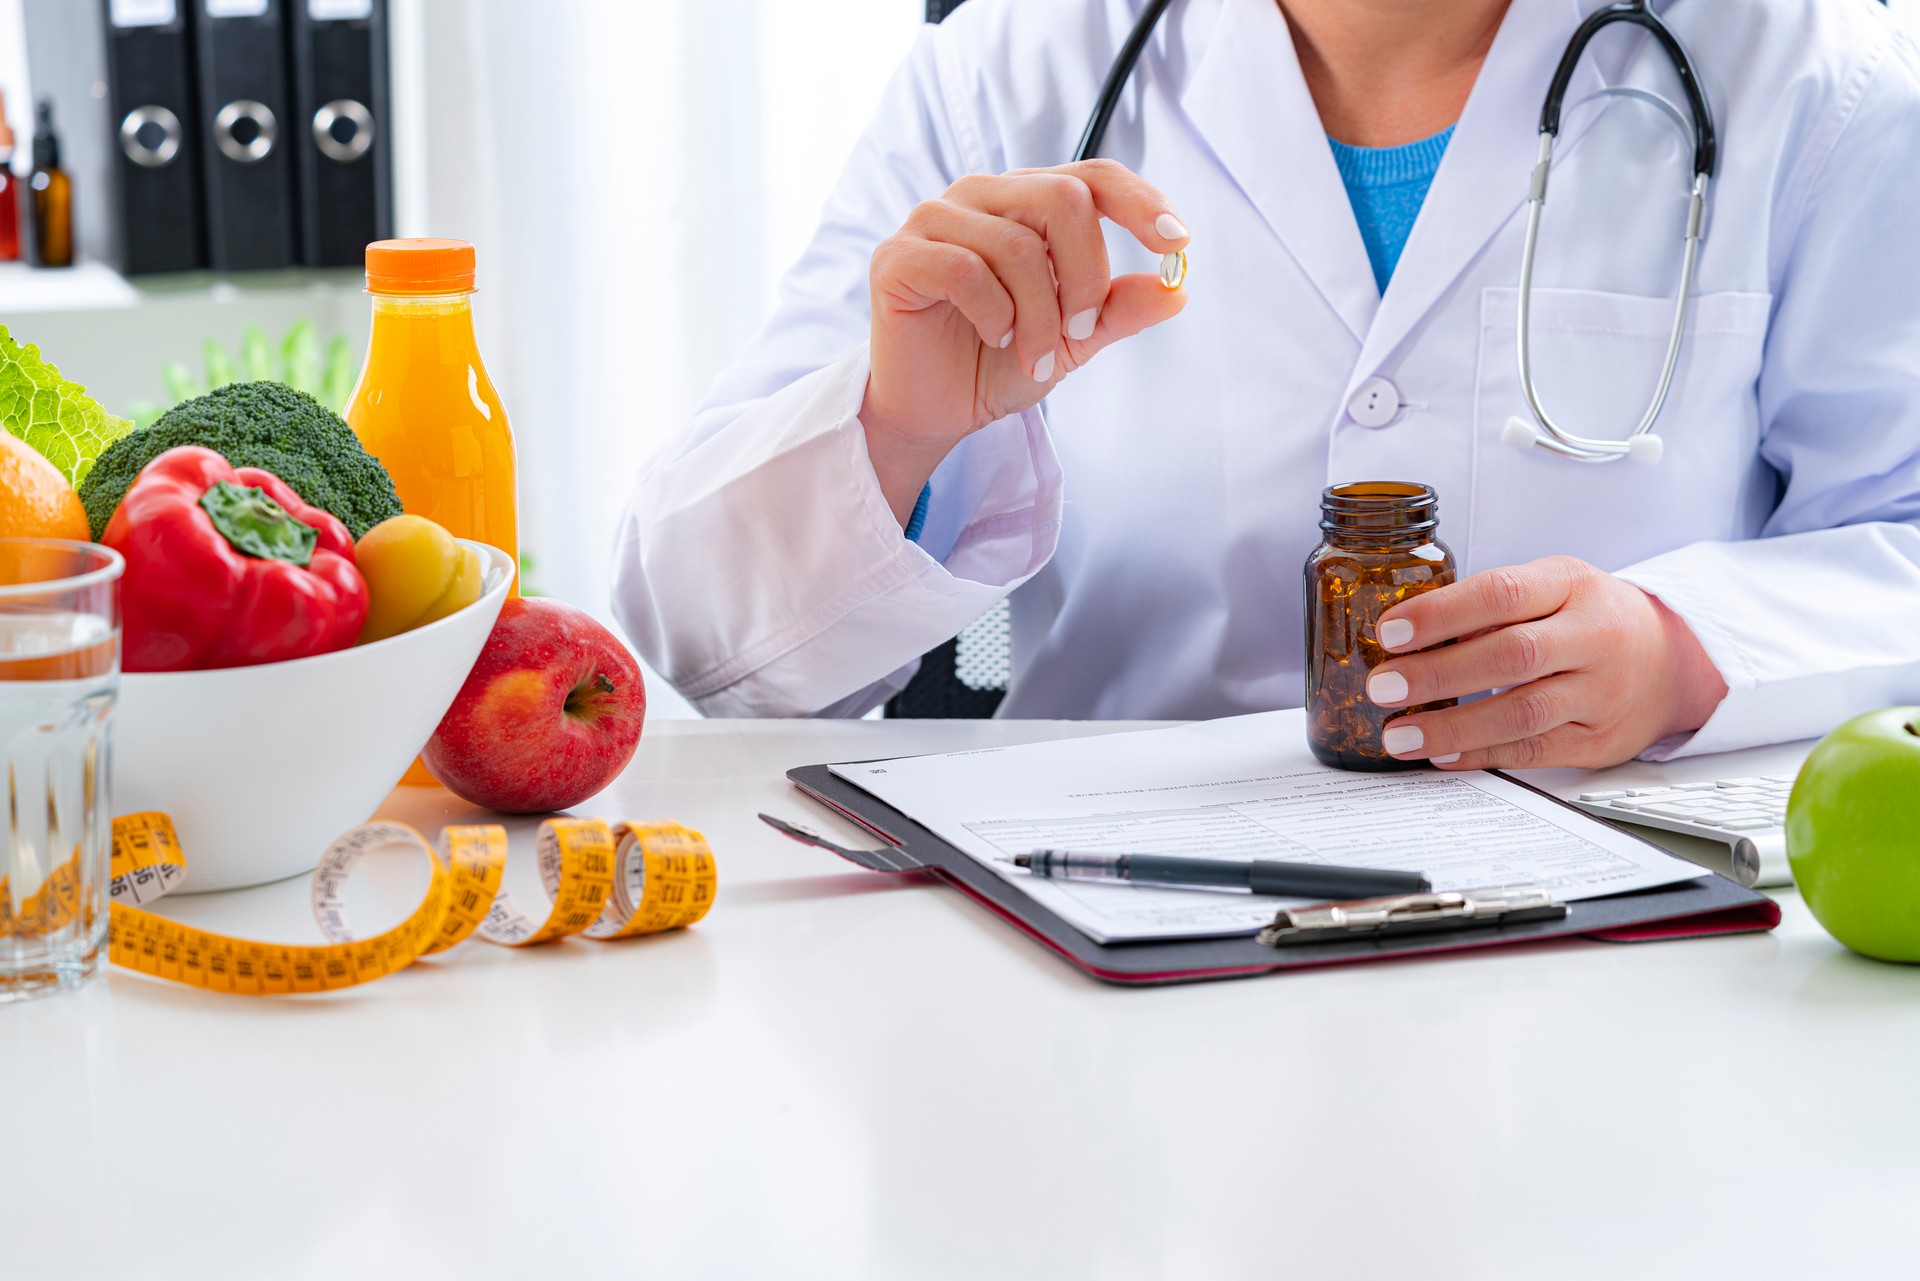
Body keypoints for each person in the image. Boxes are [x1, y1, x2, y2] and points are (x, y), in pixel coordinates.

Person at [613, 0, 1920, 770]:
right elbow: (699, 645)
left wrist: (1687, 653)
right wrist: (894, 427)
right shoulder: (1010, 72)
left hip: (1620, 943)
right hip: (1111, 944)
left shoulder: (1816, 80)